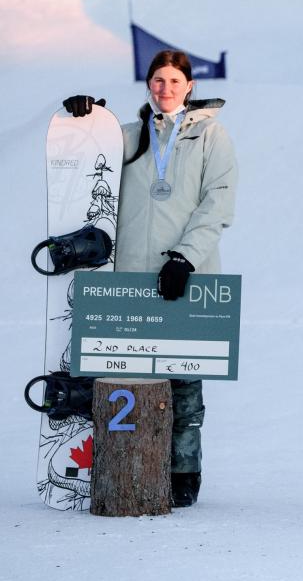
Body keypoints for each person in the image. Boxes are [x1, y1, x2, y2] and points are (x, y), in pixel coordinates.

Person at [63, 49, 237, 508]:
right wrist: (84, 118)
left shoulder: (210, 136)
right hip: (130, 278)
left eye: (174, 81)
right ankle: (125, 467)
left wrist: (185, 257)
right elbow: (85, 156)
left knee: (184, 384)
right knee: (127, 379)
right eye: (158, 80)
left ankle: (183, 470)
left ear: (190, 86)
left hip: (186, 274)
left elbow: (218, 202)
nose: (166, 89)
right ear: (148, 84)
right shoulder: (127, 136)